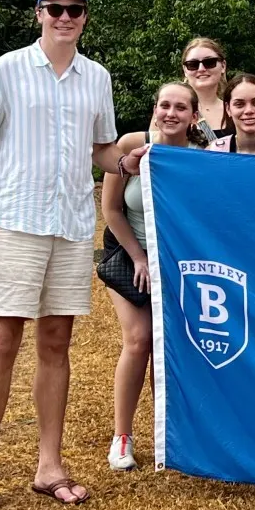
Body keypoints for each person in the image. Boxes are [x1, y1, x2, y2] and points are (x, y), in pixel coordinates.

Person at [0, 0, 147, 510]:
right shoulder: (7, 69)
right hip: (16, 221)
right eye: (56, 8)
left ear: (85, 17)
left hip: (69, 225)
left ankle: (49, 465)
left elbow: (104, 153)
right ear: (39, 13)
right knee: (2, 341)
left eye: (75, 9)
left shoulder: (97, 78)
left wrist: (134, 160)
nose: (65, 17)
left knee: (57, 340)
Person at [100, 82, 203, 471]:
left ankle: (168, 433)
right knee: (139, 339)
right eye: (164, 105)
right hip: (129, 256)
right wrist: (139, 257)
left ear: (194, 116)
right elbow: (111, 210)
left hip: (177, 262)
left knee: (171, 347)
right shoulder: (131, 144)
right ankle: (122, 436)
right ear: (155, 109)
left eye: (181, 107)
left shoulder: (201, 158)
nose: (171, 113)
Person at [182, 37, 230, 139]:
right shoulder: (169, 110)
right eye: (193, 64)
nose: (201, 69)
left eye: (209, 62)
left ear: (223, 66)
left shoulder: (236, 110)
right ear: (185, 70)